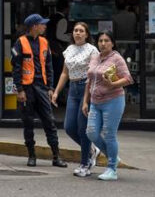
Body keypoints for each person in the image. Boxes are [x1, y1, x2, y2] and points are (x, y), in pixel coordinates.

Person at [11, 13, 67, 168]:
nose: (45, 26)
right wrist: (20, 90)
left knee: (49, 122)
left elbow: (48, 66)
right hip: (27, 89)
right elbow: (16, 68)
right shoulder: (20, 43)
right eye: (42, 24)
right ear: (34, 26)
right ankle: (31, 155)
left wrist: (50, 87)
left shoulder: (44, 42)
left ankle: (56, 156)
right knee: (28, 123)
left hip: (42, 88)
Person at [83, 31, 133, 181]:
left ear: (112, 43)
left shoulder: (117, 58)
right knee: (91, 133)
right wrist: (85, 101)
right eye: (100, 41)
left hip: (113, 100)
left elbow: (128, 79)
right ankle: (113, 157)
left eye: (106, 41)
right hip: (95, 102)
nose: (103, 43)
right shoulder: (94, 57)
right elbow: (89, 80)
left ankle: (112, 169)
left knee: (109, 134)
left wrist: (113, 84)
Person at [51, 22, 99, 177]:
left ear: (86, 34)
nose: (78, 33)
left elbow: (93, 73)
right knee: (69, 127)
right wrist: (56, 91)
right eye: (75, 31)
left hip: (86, 88)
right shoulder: (69, 50)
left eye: (81, 31)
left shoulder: (92, 50)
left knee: (82, 128)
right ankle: (92, 150)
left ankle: (85, 164)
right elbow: (65, 73)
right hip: (72, 89)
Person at [47, 0, 70, 91]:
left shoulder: (51, 17)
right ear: (66, 9)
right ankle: (58, 95)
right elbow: (59, 35)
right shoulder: (62, 19)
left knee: (53, 72)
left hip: (50, 48)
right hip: (58, 49)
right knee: (60, 72)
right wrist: (70, 37)